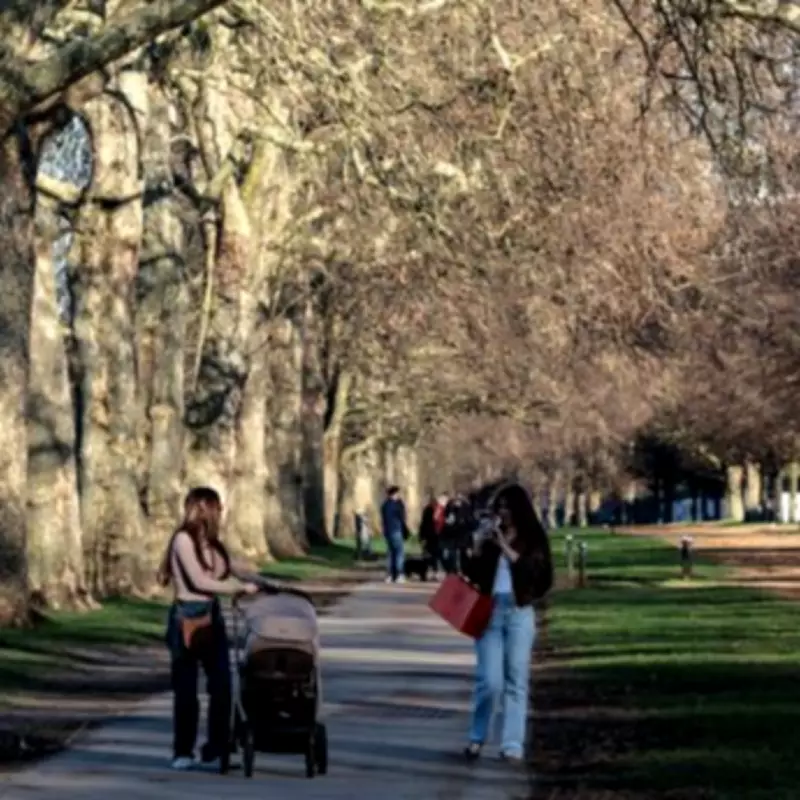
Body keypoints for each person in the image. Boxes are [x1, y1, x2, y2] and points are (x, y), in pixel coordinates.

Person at [157, 486, 260, 771]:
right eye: (210, 508)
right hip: (185, 618)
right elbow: (200, 581)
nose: (215, 514)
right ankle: (182, 750)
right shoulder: (182, 541)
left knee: (222, 686)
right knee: (186, 690)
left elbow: (234, 568)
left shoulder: (213, 544)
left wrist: (261, 582)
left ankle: (218, 745)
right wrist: (237, 588)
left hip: (212, 618)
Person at [460, 482, 554, 765]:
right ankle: (477, 737)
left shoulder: (534, 538)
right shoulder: (490, 538)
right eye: (498, 508)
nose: (502, 513)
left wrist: (505, 547)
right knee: (489, 681)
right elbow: (472, 574)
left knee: (516, 681)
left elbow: (539, 575)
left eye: (506, 507)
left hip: (518, 612)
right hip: (489, 611)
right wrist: (477, 547)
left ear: (519, 509)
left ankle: (512, 744)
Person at [380, 485, 408, 584]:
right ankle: (399, 574)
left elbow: (384, 519)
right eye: (398, 494)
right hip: (396, 530)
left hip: (387, 531)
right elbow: (402, 517)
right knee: (399, 553)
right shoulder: (397, 505)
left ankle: (390, 575)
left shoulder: (384, 505)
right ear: (395, 494)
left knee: (390, 553)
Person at [418, 490, 446, 579]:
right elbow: (424, 524)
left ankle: (434, 571)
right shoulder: (432, 510)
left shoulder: (436, 510)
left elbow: (423, 524)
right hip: (434, 535)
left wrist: (421, 536)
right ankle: (435, 571)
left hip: (433, 535)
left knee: (434, 554)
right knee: (434, 554)